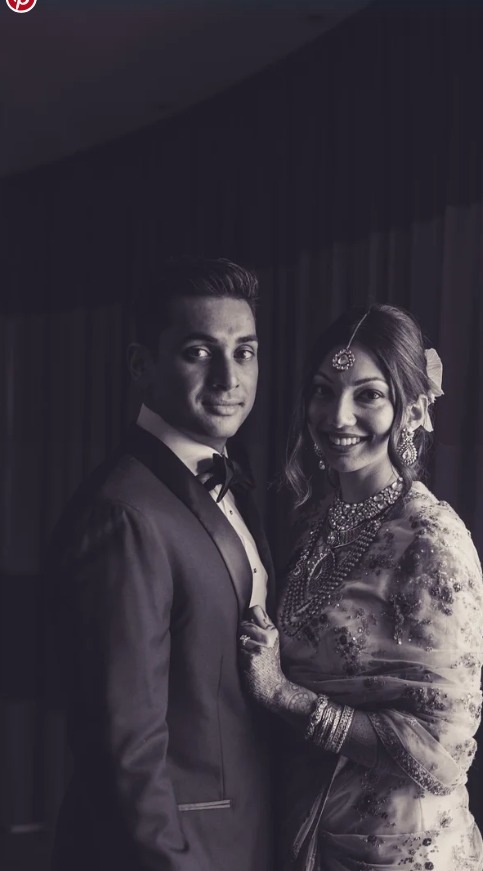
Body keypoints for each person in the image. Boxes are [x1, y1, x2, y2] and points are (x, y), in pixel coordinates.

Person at [239, 303, 483, 871]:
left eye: (368, 395)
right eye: (323, 391)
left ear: (413, 410)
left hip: (397, 851)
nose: (337, 415)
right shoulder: (318, 522)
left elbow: (443, 752)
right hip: (313, 828)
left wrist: (283, 696)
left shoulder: (430, 539)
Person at [46, 258, 275, 871]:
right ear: (141, 366)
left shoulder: (228, 486)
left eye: (245, 352)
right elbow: (123, 747)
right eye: (199, 352)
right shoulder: (123, 514)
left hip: (243, 838)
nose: (229, 377)